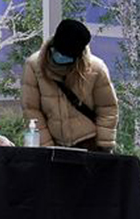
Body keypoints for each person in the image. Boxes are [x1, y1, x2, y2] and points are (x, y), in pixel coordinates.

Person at [22, 19, 118, 152]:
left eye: (68, 56)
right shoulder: (34, 66)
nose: (62, 57)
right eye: (59, 52)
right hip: (53, 143)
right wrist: (46, 146)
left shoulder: (96, 69)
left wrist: (104, 145)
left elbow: (107, 108)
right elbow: (31, 109)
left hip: (88, 142)